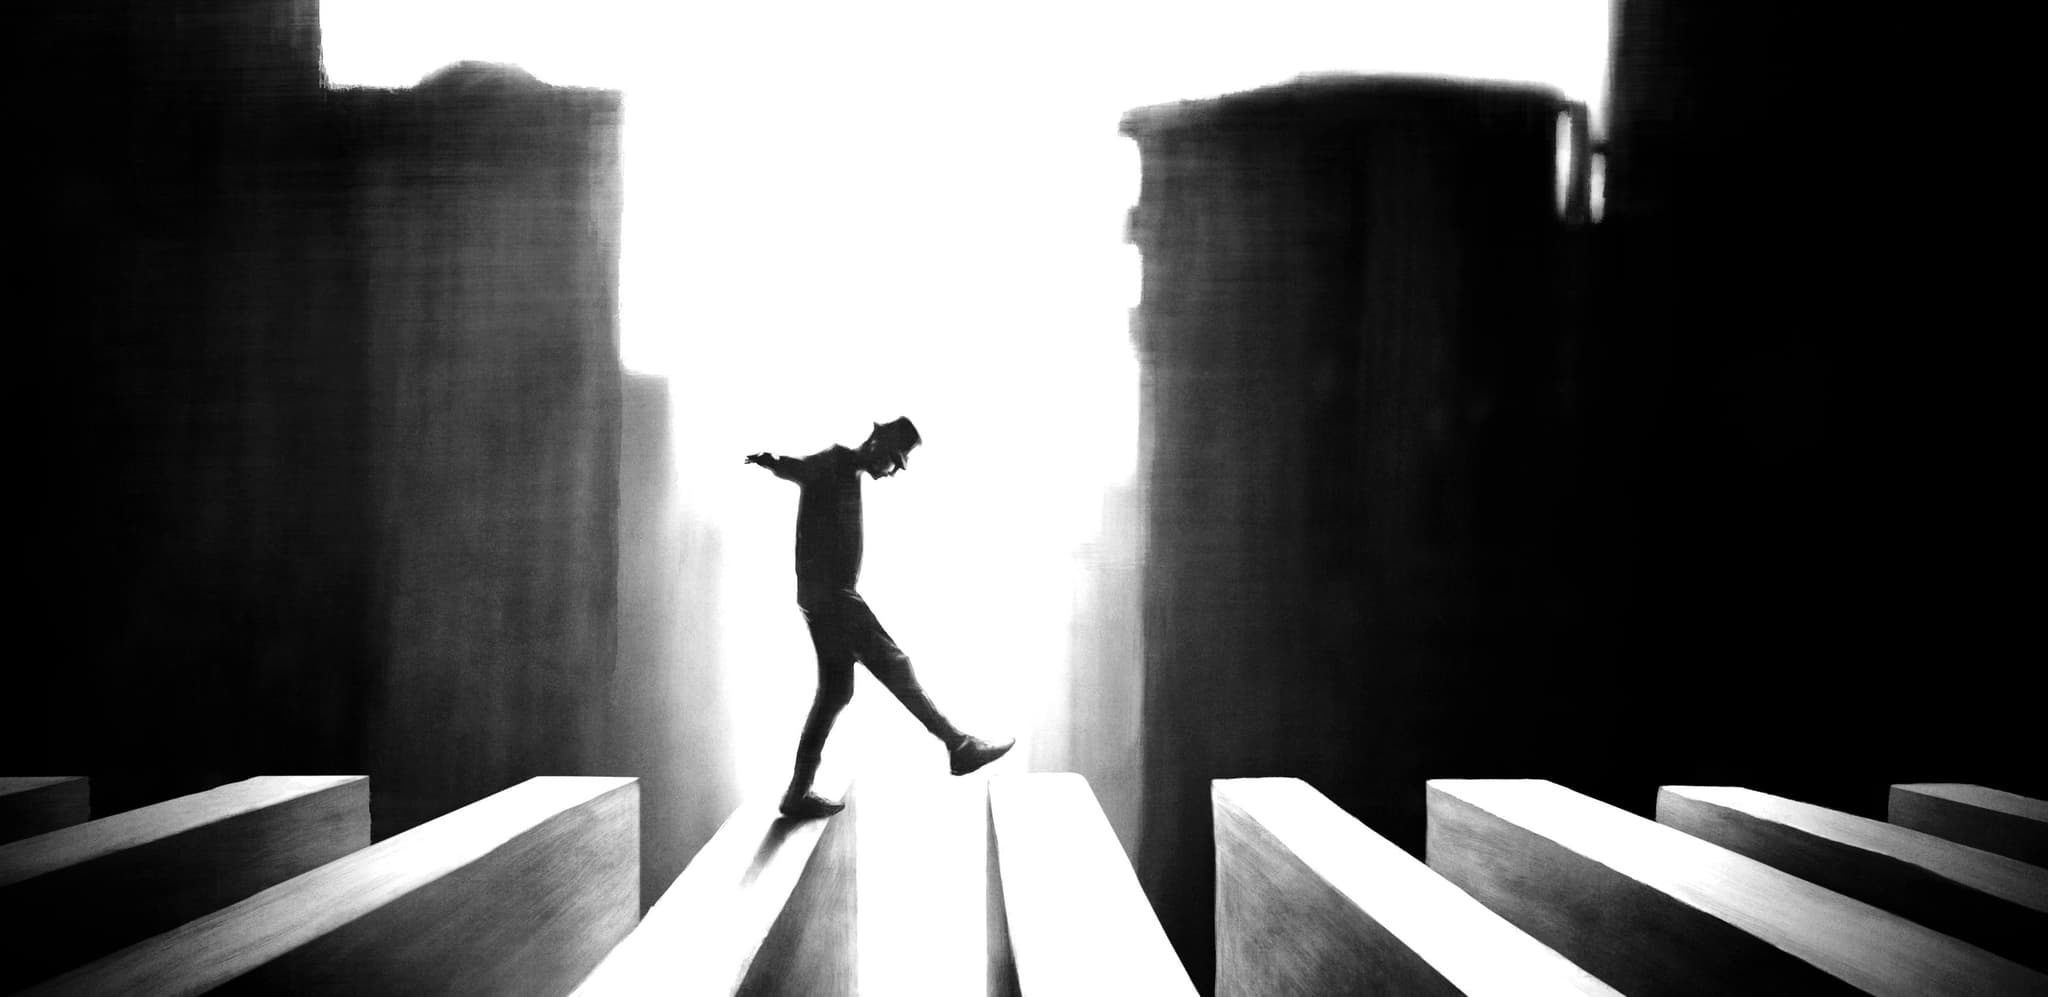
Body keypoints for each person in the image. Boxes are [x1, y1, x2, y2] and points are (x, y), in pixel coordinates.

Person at [745, 417, 1013, 819]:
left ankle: (797, 793)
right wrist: (769, 461)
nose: (892, 472)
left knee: (836, 694)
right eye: (894, 460)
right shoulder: (833, 464)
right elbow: (797, 468)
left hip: (825, 598)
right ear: (877, 443)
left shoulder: (847, 471)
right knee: (896, 664)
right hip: (833, 598)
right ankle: (958, 745)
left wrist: (774, 461)